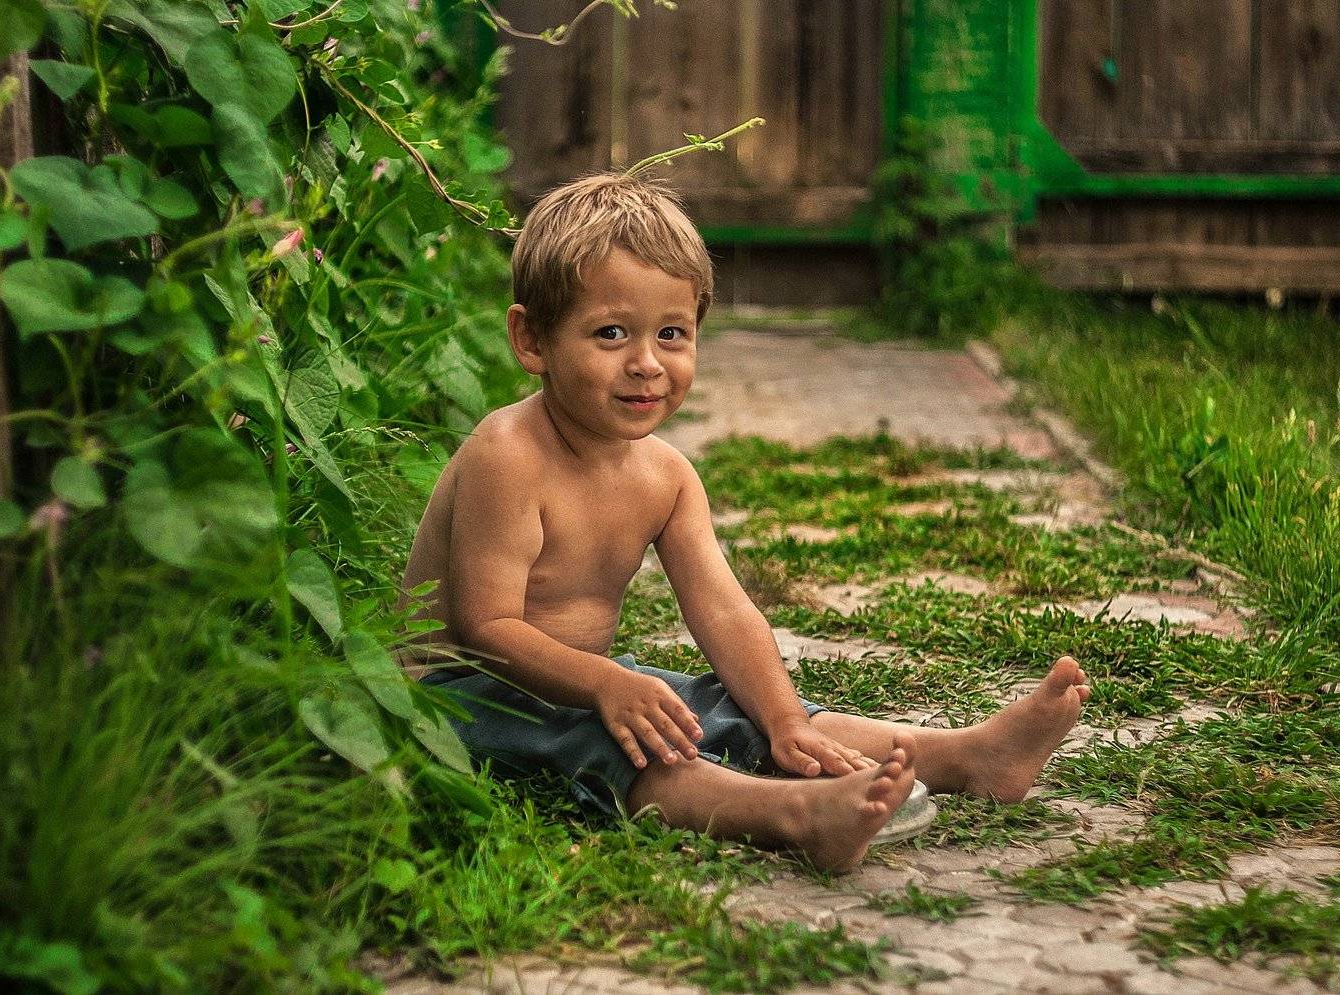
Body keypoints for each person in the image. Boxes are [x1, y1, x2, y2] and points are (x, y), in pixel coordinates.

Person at [401, 173, 1089, 872]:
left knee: (719, 704)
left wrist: (783, 719)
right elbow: (488, 630)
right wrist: (606, 685)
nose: (646, 363)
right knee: (622, 741)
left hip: (588, 682)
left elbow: (724, 611)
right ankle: (794, 815)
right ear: (532, 340)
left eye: (672, 333)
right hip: (457, 699)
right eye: (611, 333)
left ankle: (968, 755)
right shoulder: (508, 455)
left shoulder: (666, 476)